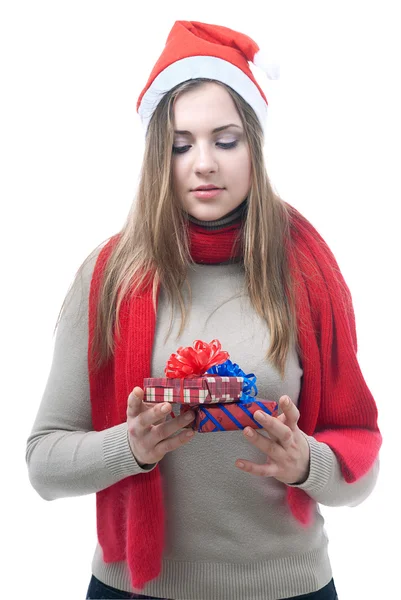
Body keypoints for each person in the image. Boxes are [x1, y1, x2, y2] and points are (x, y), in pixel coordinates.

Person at [25, 20, 382, 600]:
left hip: (289, 588)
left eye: (226, 139)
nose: (204, 164)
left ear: (255, 146)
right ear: (157, 158)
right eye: (180, 144)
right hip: (133, 589)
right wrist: (131, 448)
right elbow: (44, 464)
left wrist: (305, 463)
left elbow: (359, 465)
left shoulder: (309, 274)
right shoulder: (110, 273)